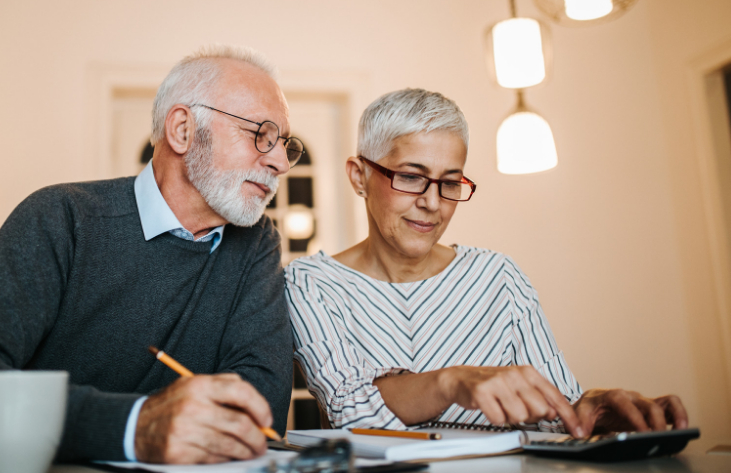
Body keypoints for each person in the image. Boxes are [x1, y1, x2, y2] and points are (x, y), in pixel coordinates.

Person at [0, 45, 306, 464]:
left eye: (283, 143)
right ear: (183, 130)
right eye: (260, 134)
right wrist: (134, 426)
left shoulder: (256, 242)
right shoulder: (62, 217)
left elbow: (259, 410)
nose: (280, 161)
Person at [285, 88, 688, 438]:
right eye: (411, 176)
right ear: (359, 177)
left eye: (450, 182)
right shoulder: (310, 283)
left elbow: (555, 416)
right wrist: (451, 381)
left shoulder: (499, 277)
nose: (432, 202)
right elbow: (352, 412)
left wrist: (595, 409)